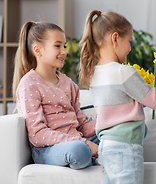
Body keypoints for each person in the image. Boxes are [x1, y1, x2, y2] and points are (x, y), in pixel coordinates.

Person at [78, 10, 156, 184]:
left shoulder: (94, 75)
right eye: (129, 40)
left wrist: (143, 96)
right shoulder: (123, 71)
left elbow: (119, 107)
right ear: (115, 38)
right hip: (125, 148)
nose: (131, 47)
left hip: (106, 148)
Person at [13, 21, 99, 170]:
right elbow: (38, 135)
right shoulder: (29, 84)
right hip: (48, 148)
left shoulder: (69, 84)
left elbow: (83, 127)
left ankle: (95, 153)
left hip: (77, 139)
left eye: (64, 46)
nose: (64, 51)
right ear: (38, 50)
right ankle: (95, 154)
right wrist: (83, 143)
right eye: (57, 46)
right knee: (79, 150)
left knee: (130, 128)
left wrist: (111, 120)